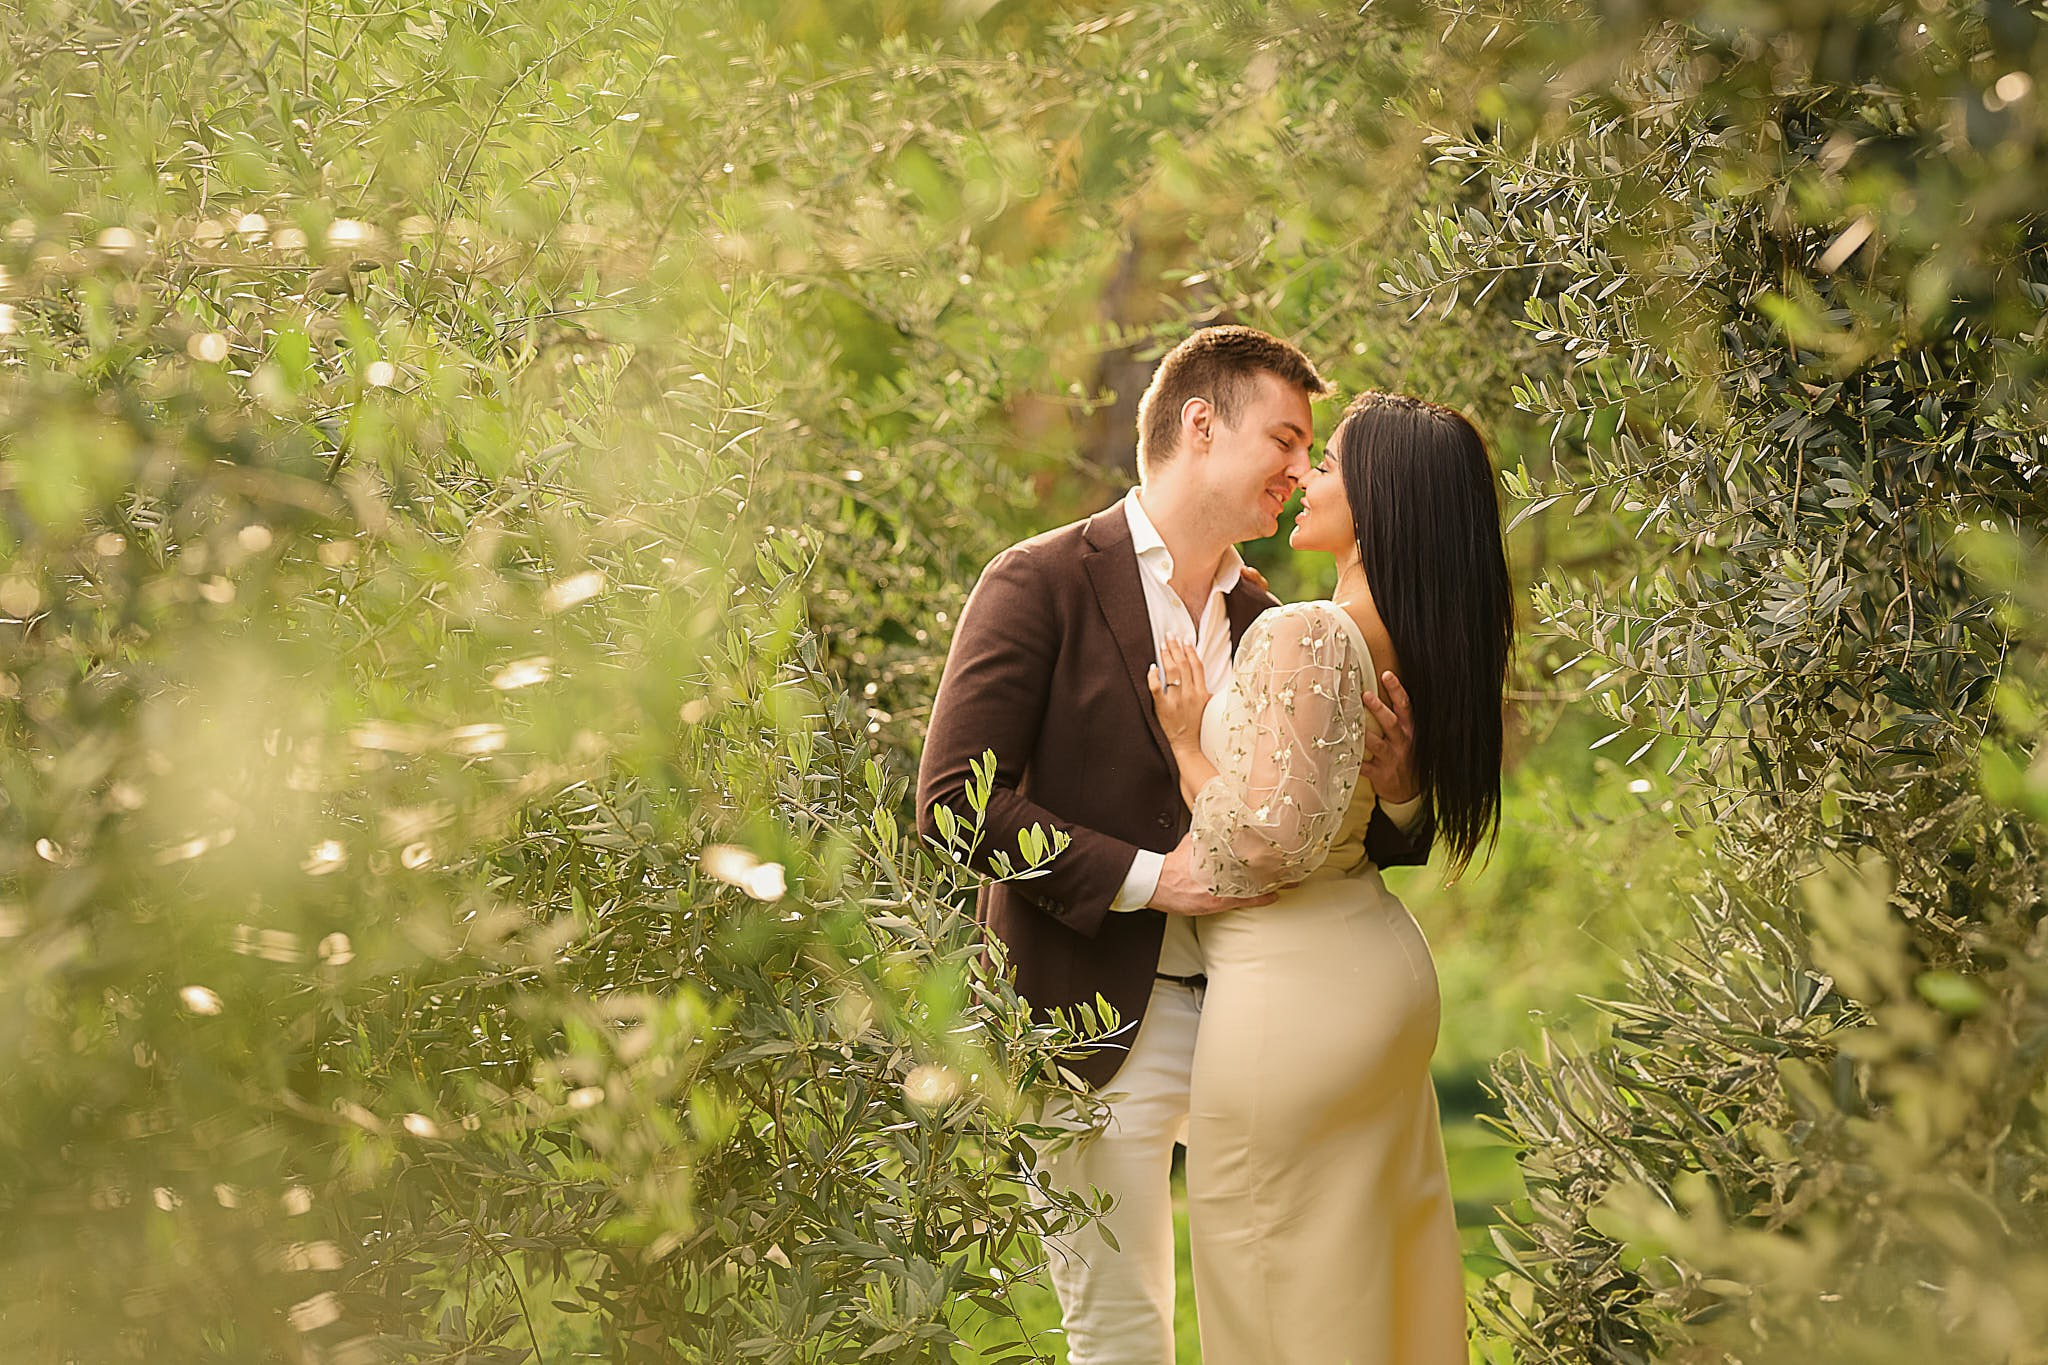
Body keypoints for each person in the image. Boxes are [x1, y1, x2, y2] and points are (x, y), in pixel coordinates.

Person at [916, 328, 1432, 1365]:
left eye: (1309, 450)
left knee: (1291, 1310)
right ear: (1200, 426)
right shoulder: (1038, 580)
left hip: (1263, 1017)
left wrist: (1401, 788)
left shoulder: (1277, 619)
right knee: (1121, 1337)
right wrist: (1153, 880)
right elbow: (951, 806)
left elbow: (1327, 837)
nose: (1299, 469)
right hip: (1090, 1022)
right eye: (1283, 439)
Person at [1145, 390, 1513, 1364]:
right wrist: (1399, 794)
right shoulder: (1410, 633)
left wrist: (1187, 742)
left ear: (1382, 500)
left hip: (1292, 993)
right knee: (1368, 1298)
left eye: (1332, 463)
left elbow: (1256, 849)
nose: (1306, 477)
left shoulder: (1305, 632)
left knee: (1271, 1297)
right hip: (1370, 973)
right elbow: (1346, 815)